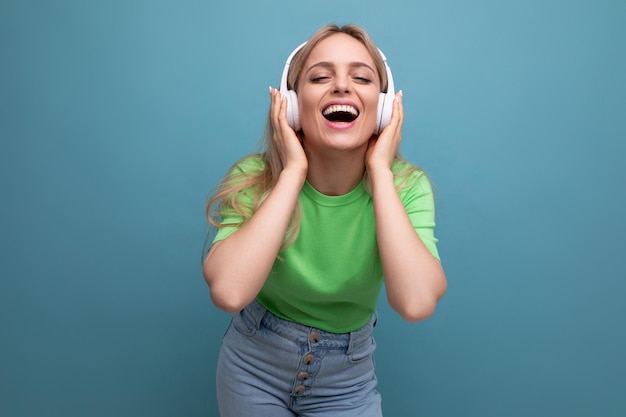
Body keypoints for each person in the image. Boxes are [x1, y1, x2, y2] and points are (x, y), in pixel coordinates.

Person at [203, 23, 447, 417]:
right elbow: (229, 292)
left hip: (347, 381)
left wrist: (381, 174)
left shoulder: (407, 188)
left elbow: (416, 303)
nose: (341, 87)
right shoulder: (253, 178)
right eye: (320, 77)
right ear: (293, 104)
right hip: (253, 367)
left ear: (383, 108)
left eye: (361, 77)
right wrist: (292, 172)